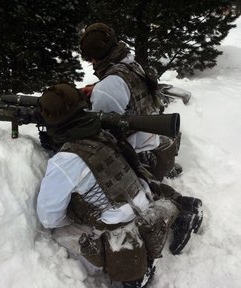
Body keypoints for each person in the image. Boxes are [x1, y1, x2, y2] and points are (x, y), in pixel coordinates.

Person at [36, 83, 203, 287]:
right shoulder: (105, 132)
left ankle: (134, 271)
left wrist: (76, 213)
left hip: (122, 237)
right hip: (146, 205)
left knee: (59, 232)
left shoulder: (65, 161)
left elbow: (48, 217)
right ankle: (172, 213)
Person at [79, 22, 182, 181]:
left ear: (94, 58)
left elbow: (103, 135)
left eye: (90, 59)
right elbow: (126, 86)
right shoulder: (130, 63)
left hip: (137, 149)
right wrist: (98, 87)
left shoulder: (109, 86)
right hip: (151, 131)